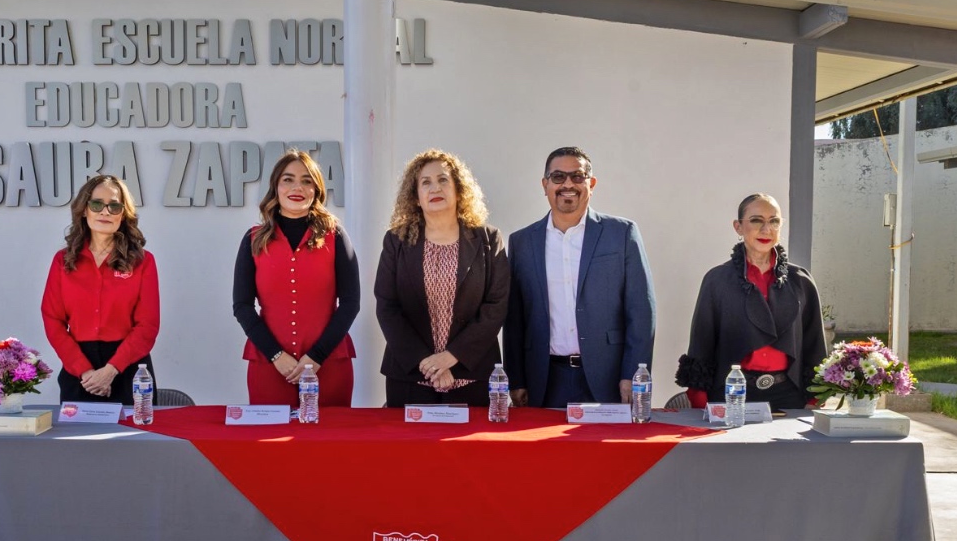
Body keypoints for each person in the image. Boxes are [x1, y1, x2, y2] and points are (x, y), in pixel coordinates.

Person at [504, 146, 655, 408]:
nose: (568, 184)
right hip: (545, 379)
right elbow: (514, 319)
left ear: (591, 183)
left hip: (608, 379)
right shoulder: (522, 242)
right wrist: (516, 379)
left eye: (578, 176)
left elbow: (641, 311)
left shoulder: (621, 234)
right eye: (558, 177)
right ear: (545, 184)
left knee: (609, 451)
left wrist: (632, 375)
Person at [375, 149, 509, 407]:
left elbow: (496, 305)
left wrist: (451, 357)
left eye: (443, 180)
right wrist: (427, 364)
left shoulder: (488, 239)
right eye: (425, 182)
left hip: (473, 375)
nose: (435, 188)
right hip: (410, 375)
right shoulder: (397, 240)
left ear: (459, 189)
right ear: (415, 197)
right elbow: (387, 306)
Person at [676, 193, 827, 411]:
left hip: (790, 395)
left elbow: (815, 345)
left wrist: (814, 399)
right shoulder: (717, 280)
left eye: (774, 221)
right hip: (731, 392)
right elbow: (702, 343)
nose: (766, 230)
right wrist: (700, 399)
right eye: (756, 220)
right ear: (738, 227)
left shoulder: (801, 280)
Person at [232, 150, 359, 406]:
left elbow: (350, 303)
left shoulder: (335, 236)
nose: (297, 187)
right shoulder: (253, 239)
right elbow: (242, 306)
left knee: (329, 441)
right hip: (270, 367)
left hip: (329, 366)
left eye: (306, 180)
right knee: (269, 443)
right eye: (288, 179)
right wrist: (277, 356)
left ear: (316, 189)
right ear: (276, 188)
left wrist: (317, 357)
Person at [42, 175, 159, 405]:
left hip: (129, 370)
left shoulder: (143, 262)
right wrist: (85, 372)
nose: (105, 212)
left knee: (133, 441)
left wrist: (110, 371)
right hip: (80, 373)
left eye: (114, 206)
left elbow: (148, 325)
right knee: (77, 442)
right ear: (84, 210)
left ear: (123, 214)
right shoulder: (63, 261)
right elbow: (52, 320)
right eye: (97, 204)